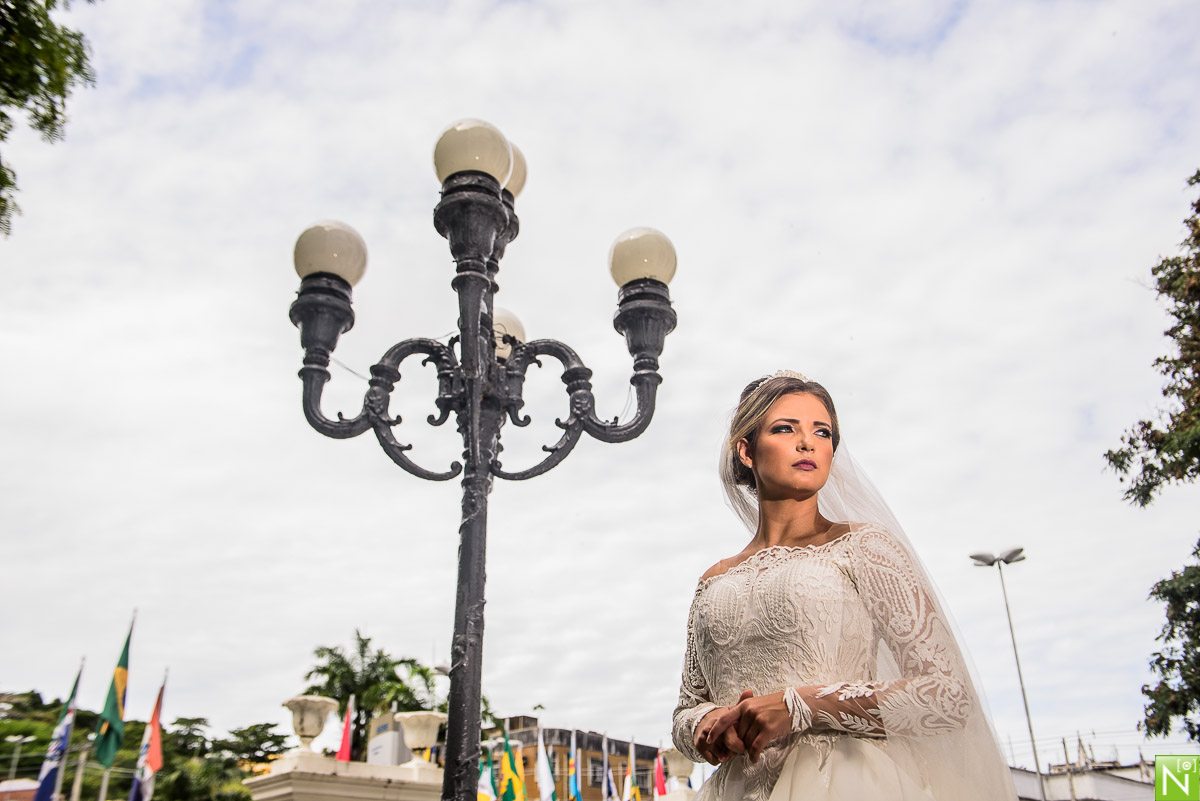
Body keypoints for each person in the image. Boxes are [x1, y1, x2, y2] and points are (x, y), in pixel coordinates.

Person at [671, 372, 1018, 800]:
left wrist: (800, 707)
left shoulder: (865, 548)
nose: (808, 443)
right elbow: (687, 708)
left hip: (845, 782)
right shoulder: (713, 580)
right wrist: (707, 728)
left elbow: (947, 695)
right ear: (745, 449)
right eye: (785, 429)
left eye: (823, 432)